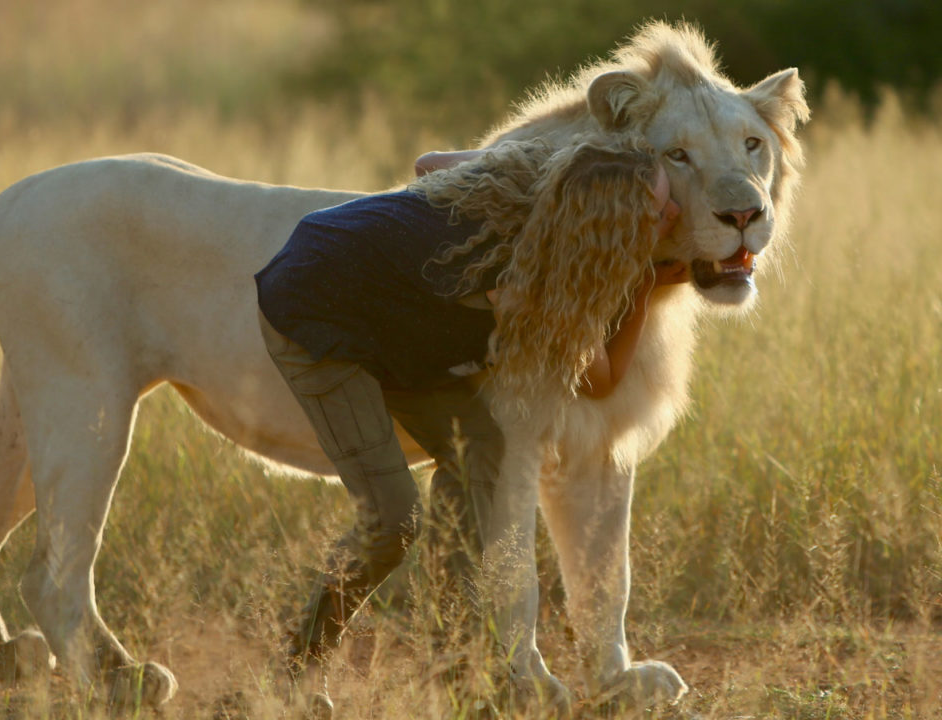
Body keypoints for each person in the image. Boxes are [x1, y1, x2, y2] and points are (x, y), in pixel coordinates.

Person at [252, 133, 685, 701]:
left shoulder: (541, 181)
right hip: (314, 310)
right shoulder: (530, 280)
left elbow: (429, 162)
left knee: (489, 448)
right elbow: (600, 379)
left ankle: (456, 664)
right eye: (658, 208)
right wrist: (642, 286)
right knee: (392, 519)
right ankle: (291, 675)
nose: (674, 211)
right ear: (608, 225)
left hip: (392, 320)